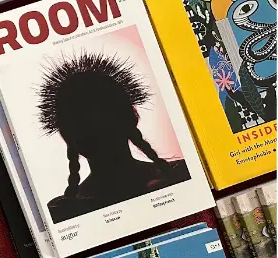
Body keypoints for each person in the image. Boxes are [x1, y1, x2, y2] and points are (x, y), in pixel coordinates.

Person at [37, 52, 191, 223]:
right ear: (131, 117)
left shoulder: (62, 211)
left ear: (66, 135)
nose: (94, 126)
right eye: (83, 120)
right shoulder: (181, 174)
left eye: (100, 115)